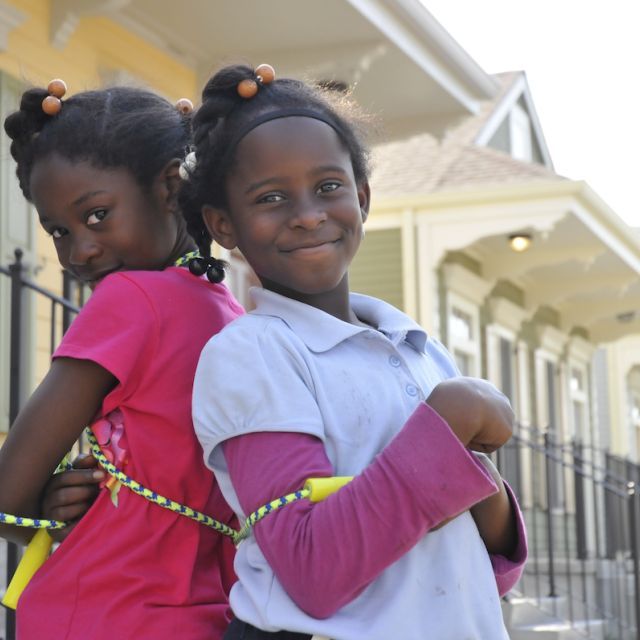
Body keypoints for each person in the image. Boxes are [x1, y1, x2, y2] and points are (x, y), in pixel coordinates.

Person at [178, 63, 528, 640]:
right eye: (270, 197)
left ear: (362, 198)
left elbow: (478, 569)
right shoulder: (254, 352)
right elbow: (312, 569)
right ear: (225, 224)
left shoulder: (416, 346)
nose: (309, 213)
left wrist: (483, 485)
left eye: (328, 187)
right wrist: (448, 423)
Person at [0, 81, 244, 639]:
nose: (77, 250)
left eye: (97, 215)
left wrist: (50, 501)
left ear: (168, 187)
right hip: (202, 610)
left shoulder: (130, 299)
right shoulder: (234, 315)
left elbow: (8, 497)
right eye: (58, 230)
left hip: (105, 609)